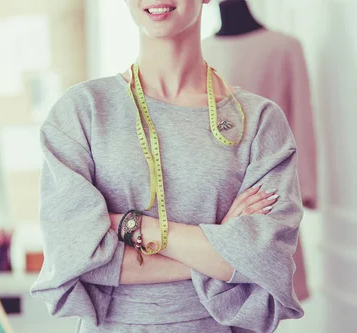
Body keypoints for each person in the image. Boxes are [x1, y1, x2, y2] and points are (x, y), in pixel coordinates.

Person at [30, 0, 304, 332]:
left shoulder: (260, 121)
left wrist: (132, 226)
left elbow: (266, 259)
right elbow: (75, 257)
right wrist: (222, 249)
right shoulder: (81, 113)